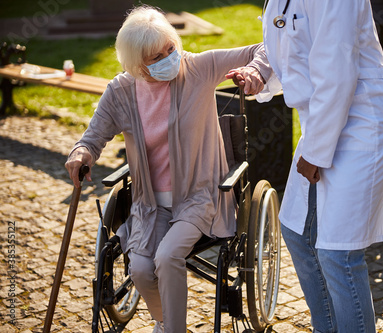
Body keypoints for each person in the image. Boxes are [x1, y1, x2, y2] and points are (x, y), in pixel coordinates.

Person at [65, 6, 271, 333]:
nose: (167, 58)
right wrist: (81, 153)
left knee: (168, 256)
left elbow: (265, 47)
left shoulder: (199, 68)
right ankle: (164, 321)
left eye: (170, 48)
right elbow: (93, 137)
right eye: (155, 56)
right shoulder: (121, 92)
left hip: (199, 196)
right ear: (136, 65)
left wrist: (256, 71)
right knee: (142, 270)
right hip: (150, 203)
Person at [227, 0, 383, 332]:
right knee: (296, 231)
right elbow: (284, 33)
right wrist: (259, 71)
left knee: (340, 256)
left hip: (364, 120)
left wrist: (315, 154)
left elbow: (338, 75)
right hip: (325, 118)